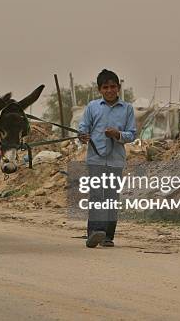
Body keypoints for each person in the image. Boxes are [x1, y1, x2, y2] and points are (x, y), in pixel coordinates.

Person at [78, 69, 136, 248]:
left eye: (113, 87)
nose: (110, 90)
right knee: (96, 195)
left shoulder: (127, 109)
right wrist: (83, 136)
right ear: (100, 90)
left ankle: (108, 236)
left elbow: (132, 134)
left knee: (111, 197)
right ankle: (94, 232)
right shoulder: (92, 107)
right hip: (95, 159)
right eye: (106, 87)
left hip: (116, 160)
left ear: (118, 88)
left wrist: (117, 134)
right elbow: (82, 128)